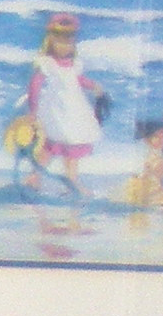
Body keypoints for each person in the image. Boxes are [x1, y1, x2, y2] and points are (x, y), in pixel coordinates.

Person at [19, 11, 104, 196]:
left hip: (73, 109)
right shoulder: (47, 63)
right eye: (59, 42)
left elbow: (77, 79)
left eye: (69, 42)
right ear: (50, 41)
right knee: (48, 147)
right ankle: (35, 177)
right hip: (55, 110)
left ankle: (71, 180)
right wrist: (33, 110)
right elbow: (34, 85)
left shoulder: (74, 64)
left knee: (73, 146)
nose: (65, 46)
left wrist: (93, 85)